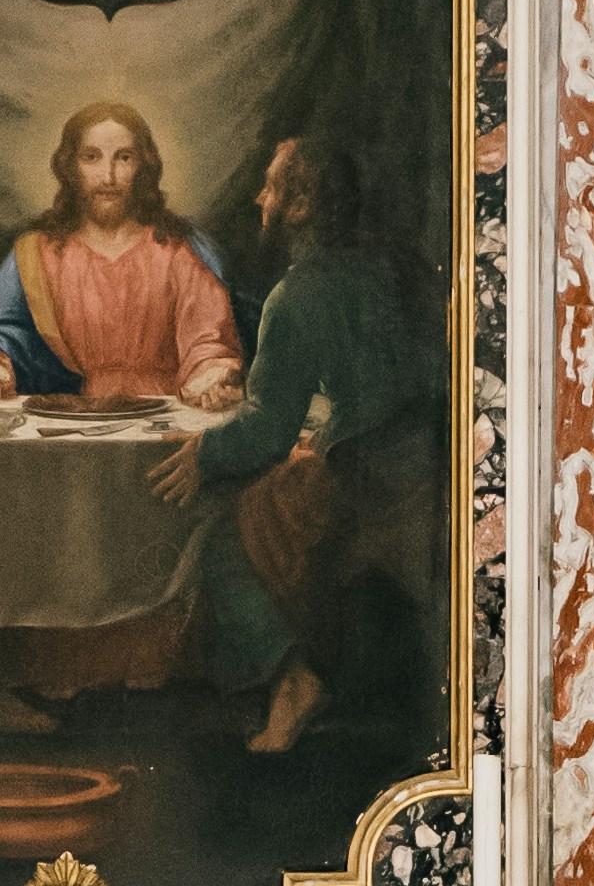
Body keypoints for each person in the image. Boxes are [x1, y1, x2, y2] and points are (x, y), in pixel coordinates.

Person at [146, 129, 440, 755]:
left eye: (272, 186)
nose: (259, 198)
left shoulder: (299, 294)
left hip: (374, 486)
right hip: (436, 465)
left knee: (219, 537)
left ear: (301, 204)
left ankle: (293, 683)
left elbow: (268, 432)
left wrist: (205, 452)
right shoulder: (393, 269)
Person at [0, 104, 242, 411]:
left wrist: (212, 373)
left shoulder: (178, 250)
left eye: (124, 157)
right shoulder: (35, 251)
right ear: (71, 167)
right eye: (92, 157)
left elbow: (207, 339)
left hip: (163, 414)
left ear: (143, 165)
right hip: (68, 416)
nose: (109, 176)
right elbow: (4, 332)